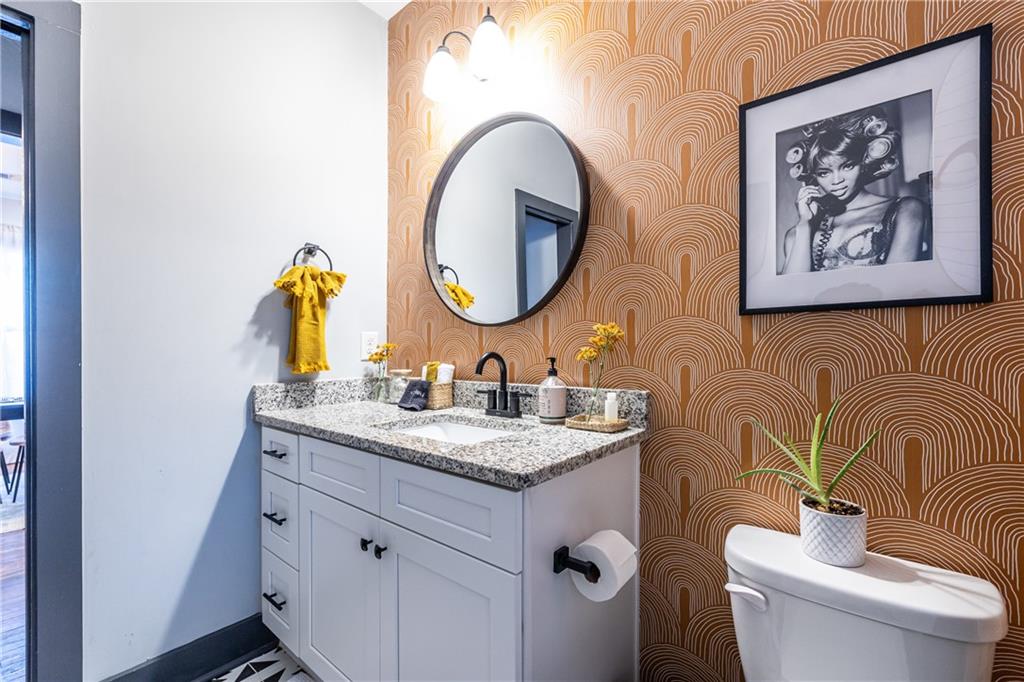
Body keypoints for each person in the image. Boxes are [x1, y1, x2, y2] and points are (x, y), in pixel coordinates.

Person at [781, 108, 927, 274]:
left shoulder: (907, 210)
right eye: (824, 173)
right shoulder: (797, 234)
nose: (837, 181)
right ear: (813, 177)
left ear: (863, 163)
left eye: (847, 166)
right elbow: (792, 293)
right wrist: (804, 224)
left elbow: (899, 286)